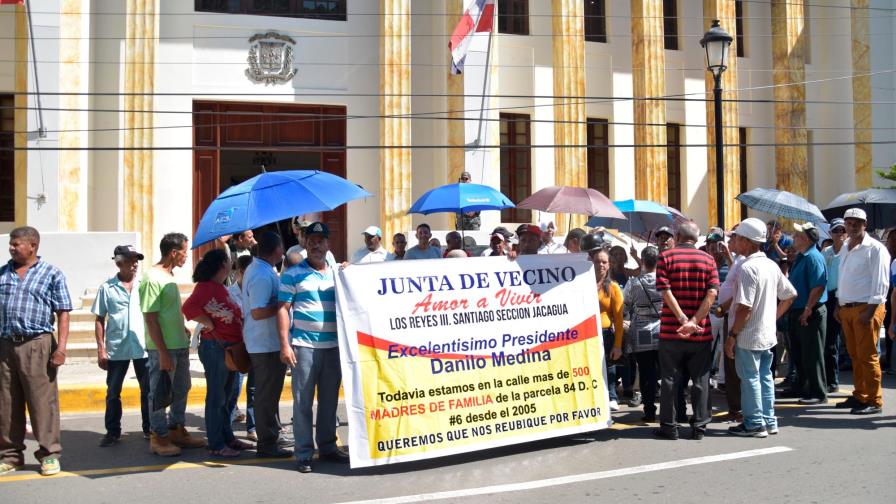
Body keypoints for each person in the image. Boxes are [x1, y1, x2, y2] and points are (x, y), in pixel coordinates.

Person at [0, 226, 72, 477]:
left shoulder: (51, 273)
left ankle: (49, 454)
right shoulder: (2, 273)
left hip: (37, 344)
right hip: (5, 345)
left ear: (33, 246)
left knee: (42, 403)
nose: (11, 248)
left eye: (16, 244)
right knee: (7, 403)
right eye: (11, 243)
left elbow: (63, 313)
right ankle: (11, 456)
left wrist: (61, 349)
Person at [277, 222, 349, 473]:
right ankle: (304, 453)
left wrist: (350, 272)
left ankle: (328, 447)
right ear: (305, 244)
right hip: (304, 347)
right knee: (302, 402)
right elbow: (282, 309)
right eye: (312, 241)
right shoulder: (292, 274)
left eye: (321, 241)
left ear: (328, 244)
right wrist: (285, 345)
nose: (316, 245)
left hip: (333, 347)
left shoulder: (339, 273)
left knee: (329, 401)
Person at [725, 218, 797, 437]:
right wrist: (771, 318)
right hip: (766, 334)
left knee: (750, 379)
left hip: (749, 335)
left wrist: (732, 335)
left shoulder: (748, 268)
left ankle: (755, 423)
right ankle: (768, 420)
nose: (735, 241)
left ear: (747, 241)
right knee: (764, 378)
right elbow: (790, 295)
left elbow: (745, 308)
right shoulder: (770, 265)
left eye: (738, 237)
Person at [182, 249, 253, 458]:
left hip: (230, 348)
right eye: (229, 260)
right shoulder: (205, 287)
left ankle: (227, 437)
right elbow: (188, 308)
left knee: (228, 396)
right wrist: (207, 322)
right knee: (216, 397)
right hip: (216, 348)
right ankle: (216, 443)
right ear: (222, 264)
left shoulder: (220, 287)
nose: (232, 263)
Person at [141, 232, 205, 456]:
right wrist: (162, 352)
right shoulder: (152, 278)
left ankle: (176, 429)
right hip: (163, 348)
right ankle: (158, 437)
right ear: (174, 253)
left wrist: (182, 327)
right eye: (185, 252)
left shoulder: (169, 276)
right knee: (159, 393)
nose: (187, 256)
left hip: (178, 344)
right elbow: (150, 318)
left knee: (181, 388)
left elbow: (168, 310)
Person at [653, 221, 719, 441]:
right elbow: (712, 293)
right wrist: (694, 321)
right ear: (697, 238)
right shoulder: (708, 259)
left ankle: (669, 426)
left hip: (671, 331)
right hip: (700, 332)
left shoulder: (665, 257)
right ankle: (699, 426)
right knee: (700, 379)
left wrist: (682, 319)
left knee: (669, 379)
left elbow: (665, 290)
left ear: (678, 236)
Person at [92, 245, 150, 447]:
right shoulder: (107, 288)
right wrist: (101, 349)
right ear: (119, 263)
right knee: (113, 392)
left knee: (148, 390)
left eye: (136, 260)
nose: (135, 264)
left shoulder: (144, 285)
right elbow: (99, 319)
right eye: (130, 260)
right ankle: (112, 431)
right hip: (117, 348)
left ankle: (149, 428)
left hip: (142, 345)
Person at [835, 208, 890, 415]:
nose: (852, 226)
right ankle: (860, 395)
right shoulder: (845, 246)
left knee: (867, 356)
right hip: (847, 308)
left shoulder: (875, 248)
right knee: (855, 355)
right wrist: (838, 304)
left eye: (857, 223)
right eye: (849, 223)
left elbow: (881, 284)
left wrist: (869, 312)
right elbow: (843, 277)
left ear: (865, 225)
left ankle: (874, 400)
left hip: (866, 308)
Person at [242, 232, 292, 457]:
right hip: (265, 344)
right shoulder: (261, 274)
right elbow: (258, 312)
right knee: (266, 395)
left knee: (270, 393)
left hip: (267, 342)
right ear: (277, 250)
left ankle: (272, 434)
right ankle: (267, 443)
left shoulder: (264, 269)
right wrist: (283, 306)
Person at [785, 223, 828, 405]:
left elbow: (818, 286)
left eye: (796, 235)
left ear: (806, 239)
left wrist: (808, 309)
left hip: (810, 311)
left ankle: (818, 392)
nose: (793, 237)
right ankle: (801, 385)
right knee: (799, 352)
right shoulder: (802, 256)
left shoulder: (813, 257)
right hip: (798, 310)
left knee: (812, 353)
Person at [582, 235, 624, 411]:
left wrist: (618, 345)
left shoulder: (613, 287)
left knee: (609, 366)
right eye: (597, 261)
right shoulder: (580, 285)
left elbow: (619, 319)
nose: (601, 265)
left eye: (604, 262)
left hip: (606, 333)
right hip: (585, 334)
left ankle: (612, 396)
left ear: (609, 265)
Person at [623, 246, 663, 422]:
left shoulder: (634, 283)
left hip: (641, 331)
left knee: (646, 372)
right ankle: (669, 409)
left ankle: (649, 411)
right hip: (662, 329)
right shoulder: (664, 281)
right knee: (665, 371)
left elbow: (625, 306)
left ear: (643, 261)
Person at [226, 255, 254, 436]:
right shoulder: (229, 293)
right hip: (238, 347)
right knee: (233, 390)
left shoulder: (257, 289)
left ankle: (253, 427)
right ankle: (226, 432)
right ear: (241, 272)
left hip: (256, 344)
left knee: (254, 389)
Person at [821, 218, 845, 393]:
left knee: (839, 341)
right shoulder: (826, 252)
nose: (840, 233)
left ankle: (833, 379)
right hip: (827, 297)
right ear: (830, 233)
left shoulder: (849, 251)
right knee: (830, 341)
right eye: (836, 230)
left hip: (843, 296)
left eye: (843, 230)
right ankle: (831, 380)